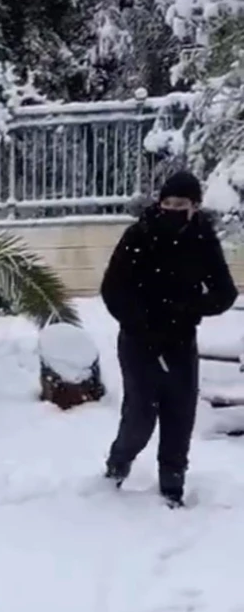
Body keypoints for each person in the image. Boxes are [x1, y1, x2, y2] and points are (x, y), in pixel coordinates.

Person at [100, 169, 238, 507]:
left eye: (182, 204)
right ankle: (117, 467)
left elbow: (225, 292)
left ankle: (172, 489)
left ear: (195, 207)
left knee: (180, 416)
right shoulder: (139, 235)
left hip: (179, 340)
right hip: (138, 340)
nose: (174, 210)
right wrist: (141, 324)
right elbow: (112, 289)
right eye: (168, 203)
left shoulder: (202, 238)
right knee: (141, 417)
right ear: (159, 203)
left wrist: (190, 308)